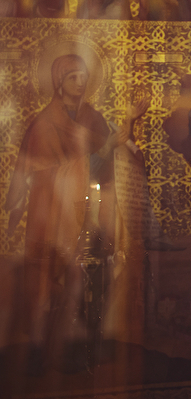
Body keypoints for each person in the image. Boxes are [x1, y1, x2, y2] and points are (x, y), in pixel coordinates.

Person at [5, 54, 147, 367]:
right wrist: (106, 148)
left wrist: (127, 125)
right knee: (52, 282)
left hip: (92, 213)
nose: (81, 82)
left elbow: (113, 162)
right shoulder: (44, 124)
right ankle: (44, 352)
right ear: (58, 82)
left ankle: (84, 344)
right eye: (73, 77)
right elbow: (45, 173)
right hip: (54, 216)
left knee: (94, 277)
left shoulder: (94, 118)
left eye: (83, 76)